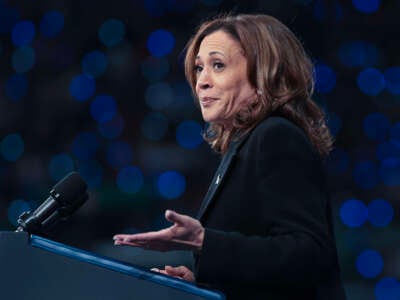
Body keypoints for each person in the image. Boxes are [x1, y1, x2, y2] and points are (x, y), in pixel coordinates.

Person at [113, 14, 346, 300]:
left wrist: (202, 241)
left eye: (218, 65)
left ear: (263, 74)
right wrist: (204, 284)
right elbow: (264, 266)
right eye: (199, 68)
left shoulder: (275, 136)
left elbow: (309, 254)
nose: (201, 82)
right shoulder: (245, 143)